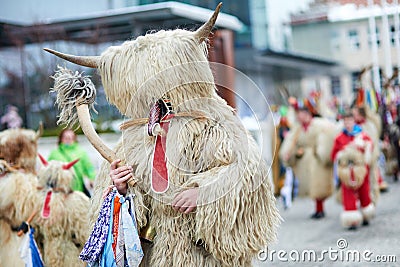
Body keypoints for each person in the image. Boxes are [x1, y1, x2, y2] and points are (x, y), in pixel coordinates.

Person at [279, 96, 338, 219]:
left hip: (317, 159)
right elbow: (291, 142)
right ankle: (318, 209)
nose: (299, 116)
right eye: (298, 114)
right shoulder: (297, 129)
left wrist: (321, 151)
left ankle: (320, 208)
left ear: (307, 114)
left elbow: (327, 137)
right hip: (306, 160)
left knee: (319, 184)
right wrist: (291, 152)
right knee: (312, 185)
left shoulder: (320, 125)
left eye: (301, 114)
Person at [331, 111, 375, 230]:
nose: (348, 124)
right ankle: (352, 218)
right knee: (348, 193)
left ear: (353, 121)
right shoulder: (339, 138)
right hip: (346, 171)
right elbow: (334, 154)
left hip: (360, 169)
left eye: (349, 121)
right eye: (345, 121)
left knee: (364, 191)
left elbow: (370, 146)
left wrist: (364, 146)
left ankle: (366, 213)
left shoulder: (362, 135)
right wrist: (342, 153)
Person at [48, 129, 96, 196]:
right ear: (61, 139)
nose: (68, 139)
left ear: (74, 139)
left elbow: (88, 167)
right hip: (59, 191)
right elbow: (48, 169)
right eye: (66, 137)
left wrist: (92, 179)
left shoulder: (81, 152)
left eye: (71, 137)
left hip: (78, 189)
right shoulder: (54, 153)